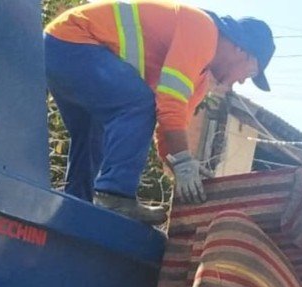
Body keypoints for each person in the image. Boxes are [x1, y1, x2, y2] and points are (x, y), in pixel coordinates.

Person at [44, 0, 275, 224]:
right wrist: (184, 161)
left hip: (62, 51)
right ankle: (115, 195)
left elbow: (170, 127)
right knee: (139, 104)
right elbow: (168, 103)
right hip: (72, 43)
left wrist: (185, 172)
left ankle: (76, 207)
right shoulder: (203, 29)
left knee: (94, 133)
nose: (244, 81)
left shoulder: (200, 80)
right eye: (252, 72)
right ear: (240, 49)